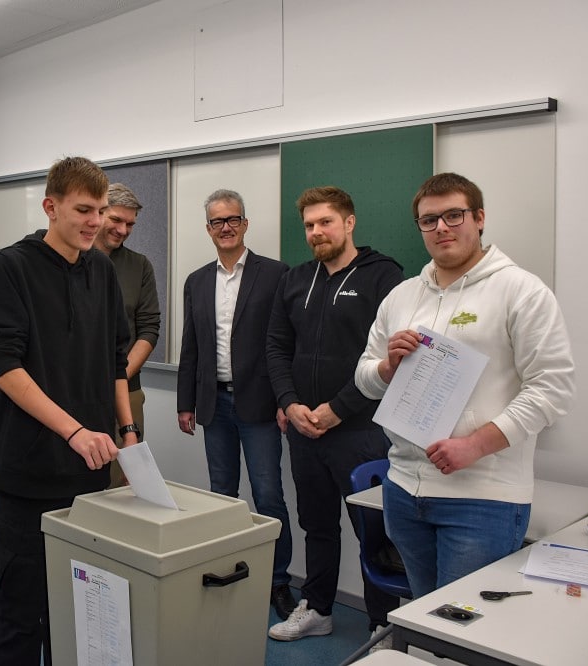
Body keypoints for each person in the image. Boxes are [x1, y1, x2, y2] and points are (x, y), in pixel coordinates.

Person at [355, 172, 576, 598]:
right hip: (402, 488)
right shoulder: (401, 297)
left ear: (479, 218)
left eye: (453, 215)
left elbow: (552, 388)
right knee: (425, 618)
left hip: (482, 498)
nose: (441, 227)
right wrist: (386, 369)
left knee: (466, 630)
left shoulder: (521, 291)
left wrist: (475, 445)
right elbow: (364, 378)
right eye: (429, 220)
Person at [0, 156, 139, 665]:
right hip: (29, 473)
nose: (96, 222)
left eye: (100, 211)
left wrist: (127, 431)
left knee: (81, 615)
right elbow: (5, 367)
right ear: (51, 206)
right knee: (19, 613)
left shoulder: (103, 271)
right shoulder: (12, 267)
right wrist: (73, 432)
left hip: (90, 476)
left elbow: (117, 360)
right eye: (83, 210)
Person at [266, 186, 403, 643]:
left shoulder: (384, 277)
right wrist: (290, 403)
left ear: (349, 222)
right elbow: (277, 347)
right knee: (316, 524)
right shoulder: (296, 279)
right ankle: (319, 608)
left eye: (325, 222)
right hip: (304, 429)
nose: (316, 232)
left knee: (373, 530)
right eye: (309, 225)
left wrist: (337, 411)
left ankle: (381, 623)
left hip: (361, 431)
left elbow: (389, 360)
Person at [176, 188, 296, 621]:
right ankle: (226, 571)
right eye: (216, 222)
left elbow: (286, 344)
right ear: (207, 229)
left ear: (245, 224)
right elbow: (191, 345)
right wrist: (185, 402)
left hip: (262, 406)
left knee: (269, 497)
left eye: (232, 220)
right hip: (214, 406)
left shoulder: (276, 274)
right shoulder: (196, 280)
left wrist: (287, 398)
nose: (225, 228)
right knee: (222, 496)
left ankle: (278, 581)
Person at [92, 183, 160, 487]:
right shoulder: (71, 260)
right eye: (116, 220)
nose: (123, 229)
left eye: (130, 224)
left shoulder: (139, 266)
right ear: (98, 213)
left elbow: (149, 328)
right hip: (76, 393)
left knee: (123, 480)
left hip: (128, 390)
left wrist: (118, 377)